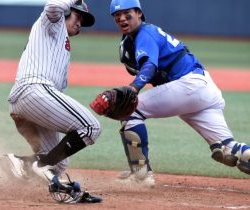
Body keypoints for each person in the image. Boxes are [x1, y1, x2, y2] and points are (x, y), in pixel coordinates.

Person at [91, 0, 250, 188]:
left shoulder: (145, 33)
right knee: (227, 149)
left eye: (127, 14)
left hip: (189, 85)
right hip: (202, 88)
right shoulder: (139, 36)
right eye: (117, 16)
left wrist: (134, 89)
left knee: (130, 110)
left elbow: (149, 65)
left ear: (139, 13)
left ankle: (141, 176)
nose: (122, 18)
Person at [0, 0, 102, 203]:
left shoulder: (60, 42)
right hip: (34, 91)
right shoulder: (52, 22)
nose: (80, 23)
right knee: (91, 127)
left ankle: (23, 163)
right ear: (67, 13)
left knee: (58, 163)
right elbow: (53, 7)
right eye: (78, 16)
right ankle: (36, 165)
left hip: (31, 102)